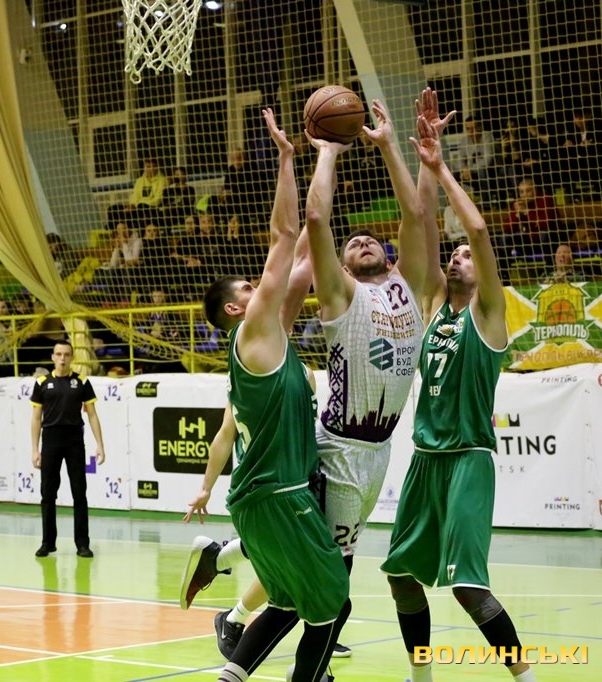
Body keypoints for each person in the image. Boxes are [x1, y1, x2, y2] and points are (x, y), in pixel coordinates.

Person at [188, 95, 435, 663]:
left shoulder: (408, 285)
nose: (363, 239)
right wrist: (321, 152)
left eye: (371, 239)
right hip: (328, 452)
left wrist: (394, 147)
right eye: (352, 245)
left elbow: (414, 218)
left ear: (390, 256)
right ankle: (248, 610)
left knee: (317, 572)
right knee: (324, 581)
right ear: (340, 269)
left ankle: (228, 565)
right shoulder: (313, 308)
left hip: (373, 453)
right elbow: (304, 234)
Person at [181, 108, 349, 682]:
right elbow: (283, 238)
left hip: (261, 501)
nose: (261, 286)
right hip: (278, 497)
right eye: (250, 287)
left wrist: (328, 159)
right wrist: (286, 157)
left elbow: (304, 249)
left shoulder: (270, 335)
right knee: (332, 603)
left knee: (288, 603)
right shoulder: (254, 330)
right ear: (236, 308)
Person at [381, 93, 536, 681]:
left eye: (467, 256)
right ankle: (420, 676)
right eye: (455, 255)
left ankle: (525, 677)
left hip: (468, 458)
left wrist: (443, 167)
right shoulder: (432, 308)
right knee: (400, 576)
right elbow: (420, 223)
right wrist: (421, 159)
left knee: (469, 587)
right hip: (425, 459)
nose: (458, 256)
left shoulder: (488, 313)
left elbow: (476, 226)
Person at [30, 339, 106, 558]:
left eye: (66, 354)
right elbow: (36, 419)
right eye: (59, 354)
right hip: (50, 441)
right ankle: (47, 542)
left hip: (74, 441)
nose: (62, 358)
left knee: (79, 493)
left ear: (72, 357)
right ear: (53, 357)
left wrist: (100, 445)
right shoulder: (42, 383)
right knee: (48, 494)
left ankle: (82, 544)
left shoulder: (81, 382)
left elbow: (92, 415)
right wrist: (35, 449)